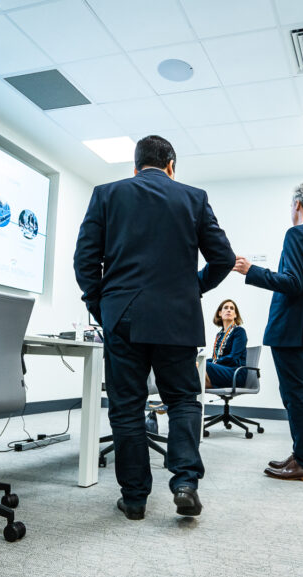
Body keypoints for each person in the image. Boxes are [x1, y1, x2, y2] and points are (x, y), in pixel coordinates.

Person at [74, 135, 235, 520]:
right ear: (171, 166)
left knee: (127, 407)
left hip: (122, 316)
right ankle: (184, 482)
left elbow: (84, 260)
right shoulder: (193, 198)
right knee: (182, 399)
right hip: (177, 319)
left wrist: (103, 307)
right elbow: (224, 258)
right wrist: (192, 287)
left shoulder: (107, 194)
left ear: (135, 166)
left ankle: (134, 499)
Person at [233, 181, 303, 482]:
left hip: (291, 329)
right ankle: (301, 454)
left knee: (294, 395)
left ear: (297, 204)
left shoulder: (297, 234)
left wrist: (250, 271)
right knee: (298, 393)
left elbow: (292, 282)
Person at [205, 299, 248, 389]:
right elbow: (215, 358)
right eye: (226, 308)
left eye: (232, 308)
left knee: (204, 367)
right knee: (197, 364)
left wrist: (213, 362)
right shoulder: (219, 335)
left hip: (235, 373)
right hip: (221, 370)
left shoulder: (239, 331)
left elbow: (233, 357)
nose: (229, 310)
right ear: (220, 313)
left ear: (235, 315)